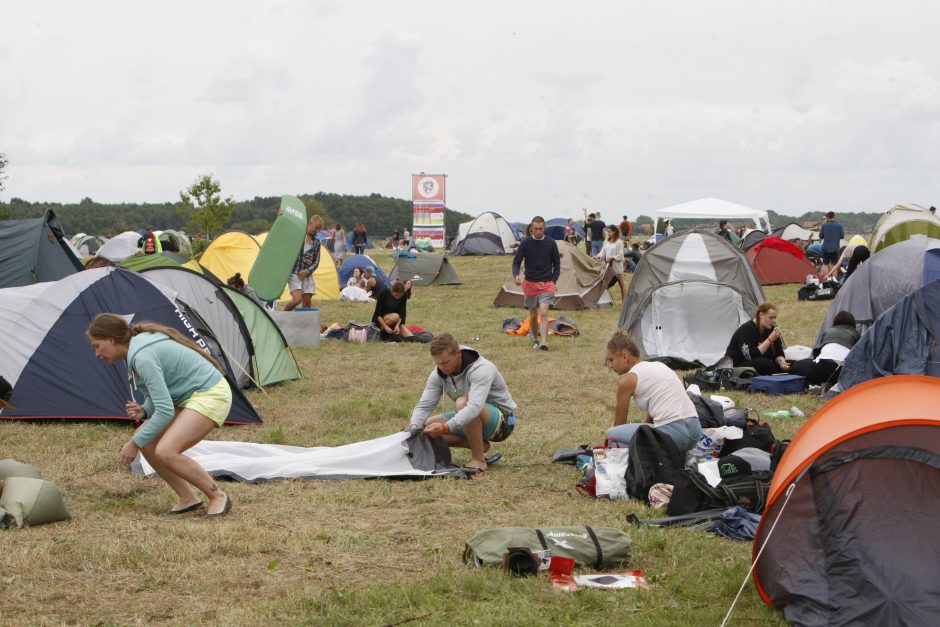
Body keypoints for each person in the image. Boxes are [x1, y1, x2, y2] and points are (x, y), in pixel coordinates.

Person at [86, 313, 233, 517]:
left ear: (111, 340)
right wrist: (145, 410)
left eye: (96, 345)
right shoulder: (136, 349)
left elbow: (165, 410)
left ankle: (218, 496)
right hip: (189, 396)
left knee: (166, 450)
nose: (96, 353)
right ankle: (188, 498)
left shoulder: (142, 356)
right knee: (150, 442)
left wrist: (134, 443)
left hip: (211, 394)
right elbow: (160, 394)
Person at [408, 333, 517, 472]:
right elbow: (425, 404)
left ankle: (479, 459)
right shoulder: (439, 373)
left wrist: (445, 427)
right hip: (472, 414)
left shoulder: (481, 368)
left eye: (445, 362)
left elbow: (474, 408)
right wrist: (414, 426)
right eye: (437, 363)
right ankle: (479, 445)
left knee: (463, 403)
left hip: (504, 421)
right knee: (425, 428)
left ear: (458, 353)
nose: (441, 367)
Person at [604, 332, 702, 453]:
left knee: (612, 436)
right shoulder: (659, 365)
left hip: (674, 436)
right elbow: (656, 405)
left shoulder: (627, 381)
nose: (610, 365)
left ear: (625, 356)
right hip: (695, 431)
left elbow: (619, 425)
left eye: (611, 360)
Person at [512, 216, 561, 351]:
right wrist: (516, 275)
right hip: (530, 283)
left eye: (541, 229)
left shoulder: (551, 243)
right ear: (531, 229)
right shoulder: (525, 243)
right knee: (533, 315)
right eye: (536, 229)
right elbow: (516, 262)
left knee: (544, 311)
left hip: (547, 283)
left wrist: (553, 280)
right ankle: (535, 339)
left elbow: (557, 265)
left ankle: (544, 342)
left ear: (544, 228)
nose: (538, 231)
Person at [789, 311, 860, 386]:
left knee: (796, 366)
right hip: (843, 373)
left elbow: (816, 352)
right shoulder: (856, 334)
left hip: (821, 368)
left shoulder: (829, 331)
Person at [724, 302, 789, 375]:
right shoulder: (747, 330)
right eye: (771, 317)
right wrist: (770, 340)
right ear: (761, 315)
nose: (774, 321)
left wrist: (782, 362)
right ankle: (781, 379)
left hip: (766, 363)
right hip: (739, 366)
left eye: (775, 318)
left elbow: (778, 353)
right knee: (763, 363)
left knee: (794, 364)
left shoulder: (771, 330)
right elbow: (751, 356)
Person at [284, 215, 324, 311]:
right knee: (296, 300)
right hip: (295, 273)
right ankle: (282, 316)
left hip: (307, 275)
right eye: (316, 227)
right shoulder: (298, 236)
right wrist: (282, 215)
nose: (317, 231)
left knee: (307, 302)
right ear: (310, 223)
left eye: (319, 229)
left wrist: (308, 271)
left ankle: (305, 323)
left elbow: (316, 261)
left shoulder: (317, 242)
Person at [597, 224, 627, 302]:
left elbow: (620, 255)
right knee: (604, 283)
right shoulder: (606, 241)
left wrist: (613, 258)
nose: (608, 233)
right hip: (607, 266)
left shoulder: (619, 242)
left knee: (621, 284)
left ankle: (624, 302)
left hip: (616, 266)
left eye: (609, 232)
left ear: (614, 232)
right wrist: (598, 256)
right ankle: (601, 300)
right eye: (607, 232)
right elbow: (602, 252)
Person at [819, 211, 844, 276]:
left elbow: (820, 236)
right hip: (835, 248)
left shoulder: (824, 225)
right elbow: (842, 236)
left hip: (825, 248)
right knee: (834, 265)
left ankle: (827, 280)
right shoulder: (839, 225)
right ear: (834, 216)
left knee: (825, 264)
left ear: (827, 217)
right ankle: (834, 281)